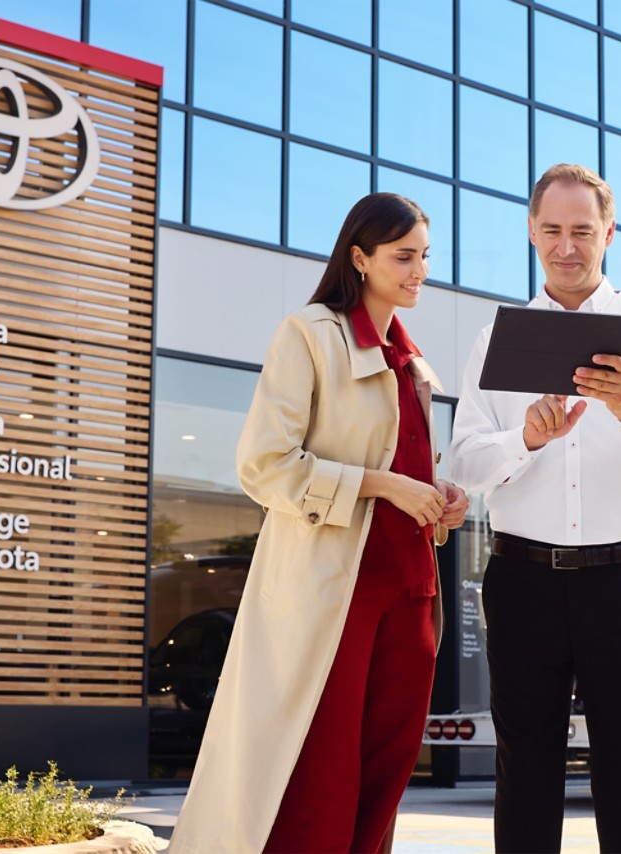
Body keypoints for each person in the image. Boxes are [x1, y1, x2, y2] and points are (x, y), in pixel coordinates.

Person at [169, 192, 469, 854]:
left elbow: (405, 466)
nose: (419, 270)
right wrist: (382, 485)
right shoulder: (310, 335)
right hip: (336, 591)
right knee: (319, 775)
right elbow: (265, 466)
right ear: (359, 258)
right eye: (403, 257)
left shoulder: (414, 365)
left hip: (411, 590)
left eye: (424, 257)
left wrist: (441, 494)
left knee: (385, 775)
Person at [448, 164, 621, 853]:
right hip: (522, 582)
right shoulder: (493, 339)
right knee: (525, 772)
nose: (567, 247)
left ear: (610, 234)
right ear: (532, 231)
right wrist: (525, 438)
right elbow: (464, 464)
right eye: (553, 230)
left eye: (583, 232)